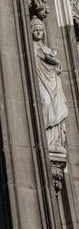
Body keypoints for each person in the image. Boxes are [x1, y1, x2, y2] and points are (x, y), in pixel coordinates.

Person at [31, 16, 68, 154]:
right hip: (40, 80)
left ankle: (55, 141)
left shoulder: (47, 49)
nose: (39, 32)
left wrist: (56, 62)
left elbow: (58, 67)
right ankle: (46, 138)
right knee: (45, 102)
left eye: (41, 30)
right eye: (35, 30)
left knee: (57, 107)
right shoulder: (29, 48)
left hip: (53, 81)